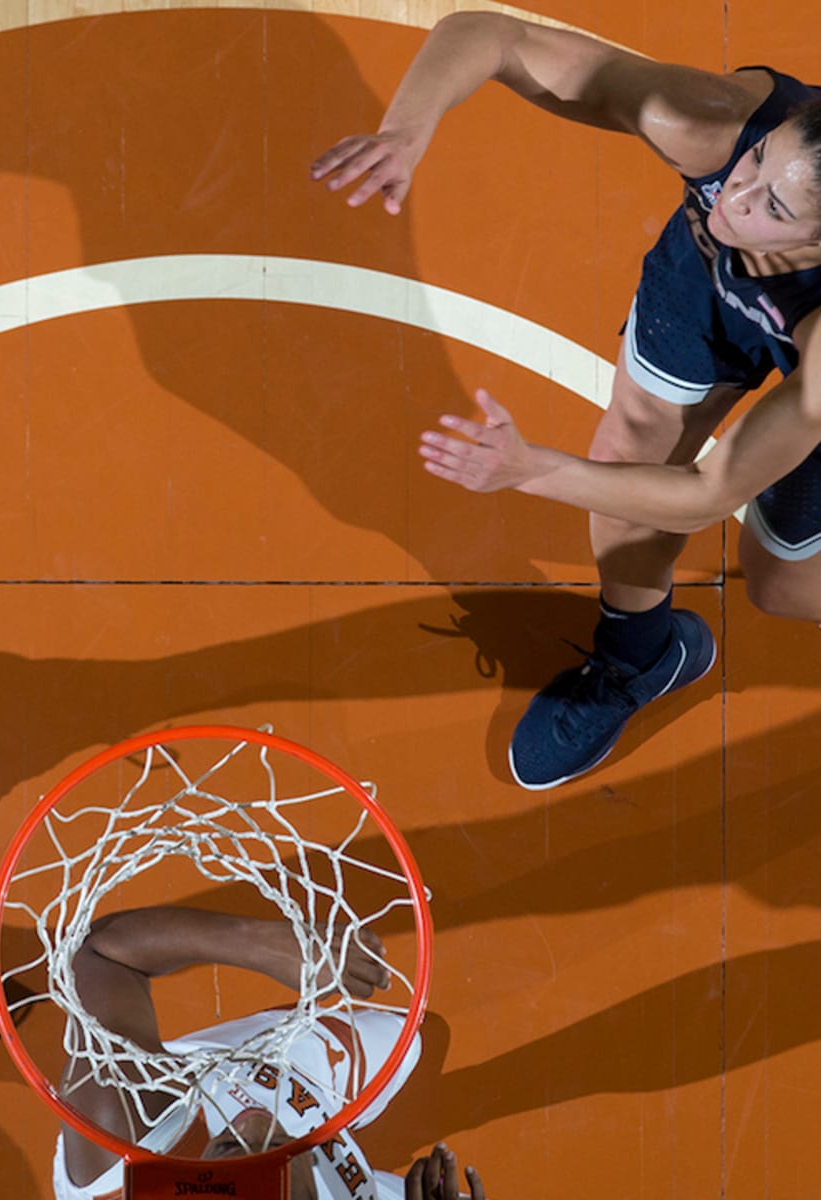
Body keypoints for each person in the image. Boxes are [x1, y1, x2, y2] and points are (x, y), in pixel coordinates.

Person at [311, 12, 821, 789]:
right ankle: (641, 655)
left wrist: (530, 469)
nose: (736, 196)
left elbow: (710, 495)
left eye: (774, 209)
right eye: (756, 162)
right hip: (710, 290)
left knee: (778, 585)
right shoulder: (711, 126)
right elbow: (490, 36)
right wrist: (406, 131)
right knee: (628, 454)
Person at [54, 905, 486, 1200]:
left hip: (225, 1073)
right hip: (316, 1127)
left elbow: (100, 956)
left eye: (226, 1147)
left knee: (412, 1037)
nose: (260, 1122)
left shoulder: (122, 1149)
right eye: (279, 1146)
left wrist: (261, 943)